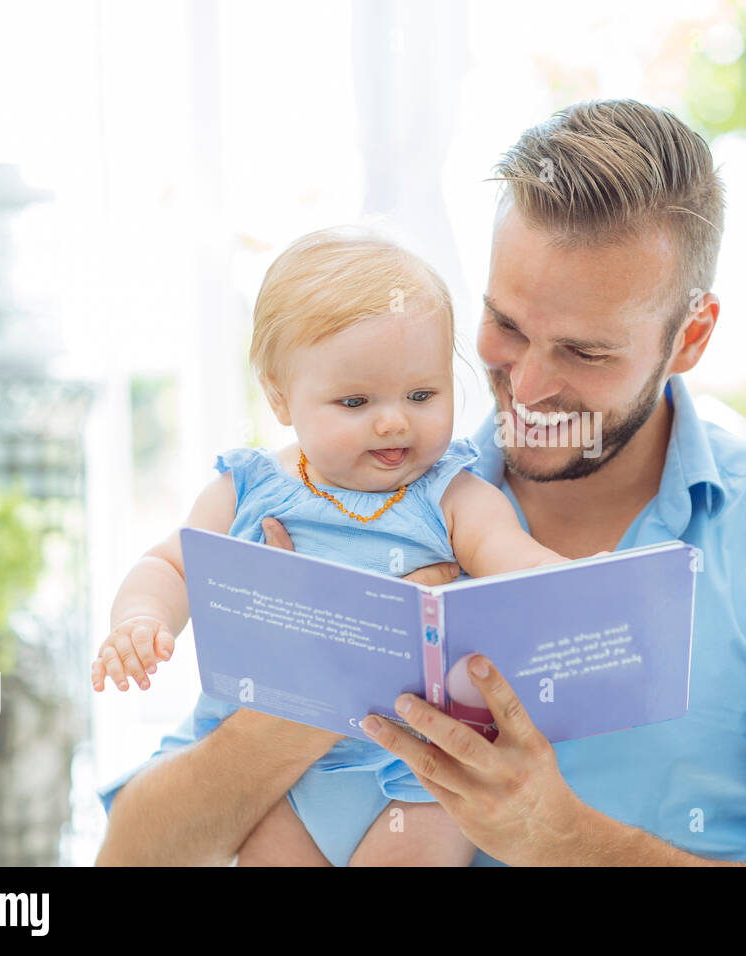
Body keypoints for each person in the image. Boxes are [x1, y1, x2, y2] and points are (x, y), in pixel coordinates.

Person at [96, 99, 746, 867]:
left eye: (585, 353)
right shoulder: (366, 499)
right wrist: (305, 702)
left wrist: (562, 839)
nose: (526, 388)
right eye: (506, 327)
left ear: (690, 337)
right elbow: (133, 855)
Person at [90, 227, 574, 866]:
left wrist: (576, 581)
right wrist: (141, 620)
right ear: (279, 395)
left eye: (422, 395)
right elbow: (169, 565)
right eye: (355, 401)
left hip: (414, 768)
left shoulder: (451, 495)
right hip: (274, 779)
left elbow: (518, 561)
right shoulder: (247, 490)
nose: (394, 420)